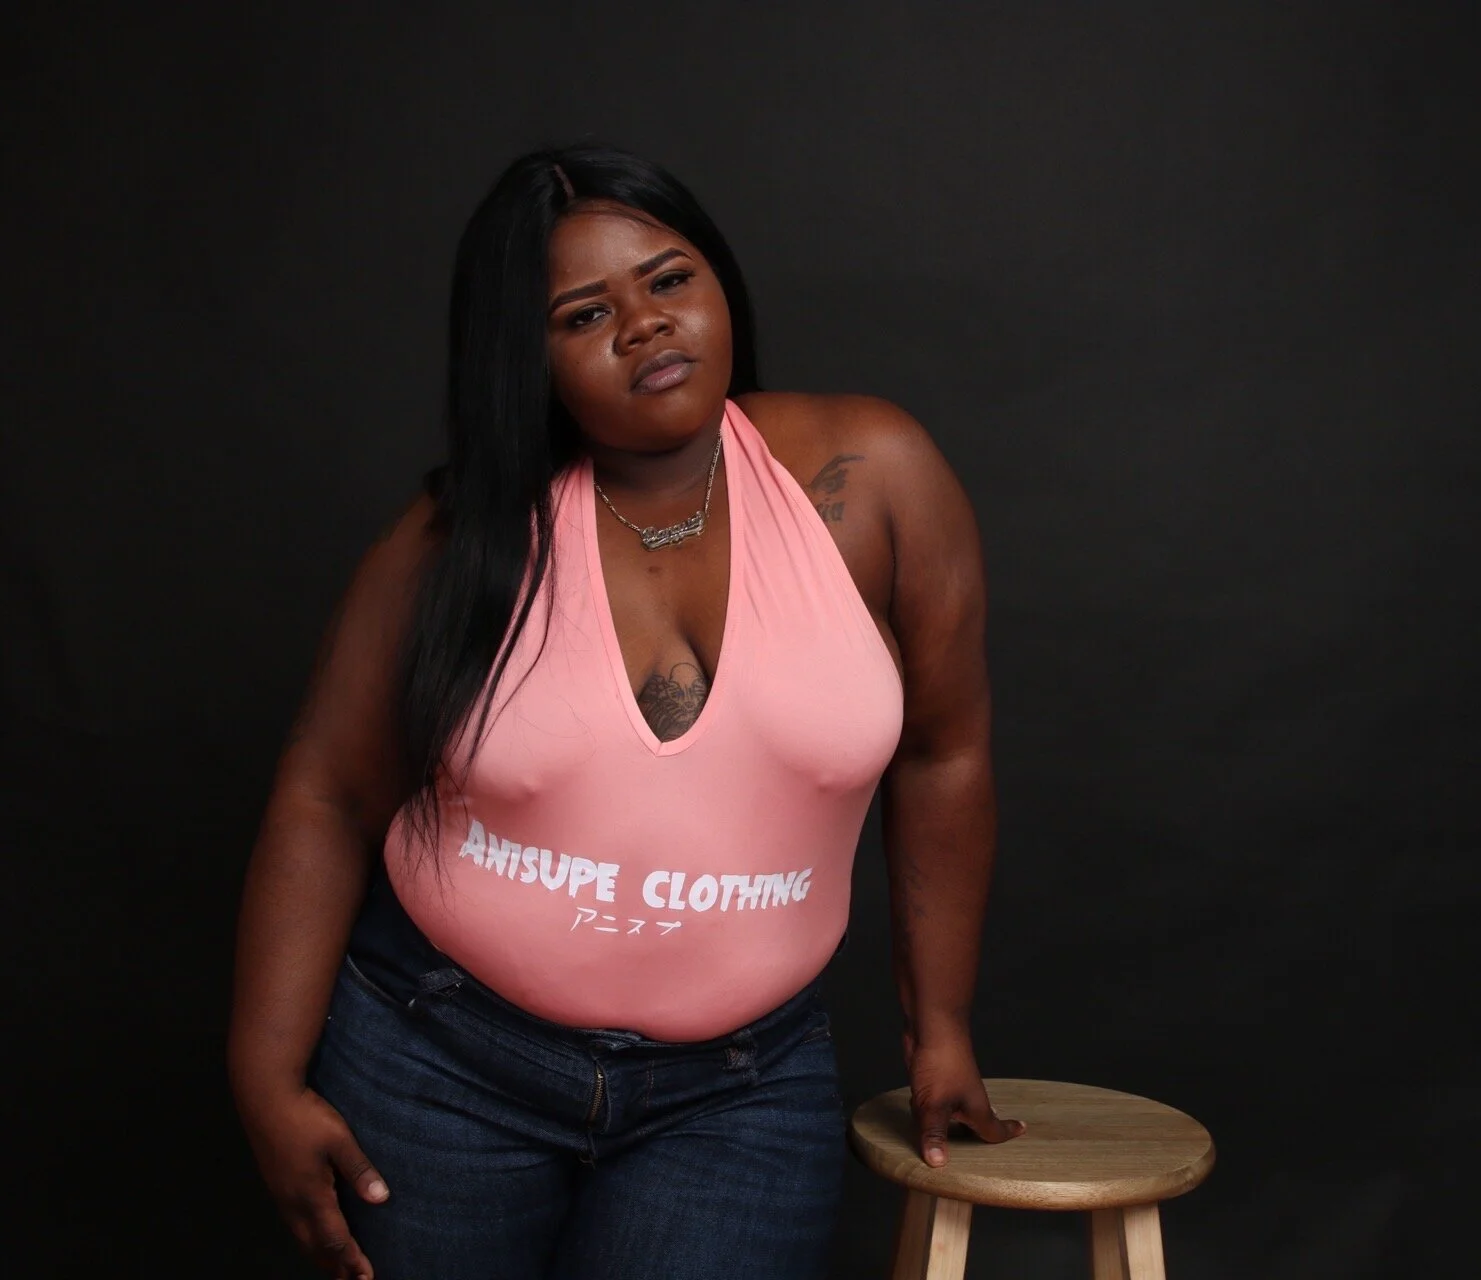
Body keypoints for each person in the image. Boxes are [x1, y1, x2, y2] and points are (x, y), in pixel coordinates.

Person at [227, 142, 1024, 1280]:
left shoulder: (874, 479)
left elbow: (944, 754)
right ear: (527, 356)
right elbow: (328, 790)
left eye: (669, 279)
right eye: (585, 313)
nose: (646, 325)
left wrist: (937, 1023)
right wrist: (264, 1077)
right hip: (439, 1067)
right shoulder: (456, 543)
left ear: (719, 280)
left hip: (738, 1092)